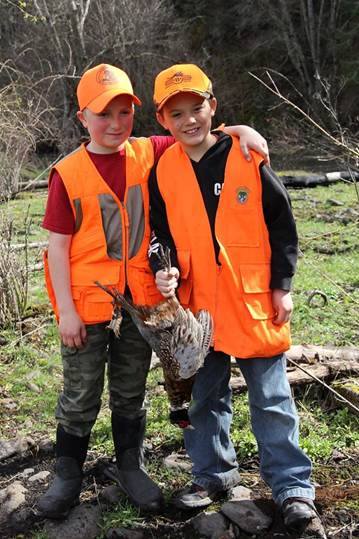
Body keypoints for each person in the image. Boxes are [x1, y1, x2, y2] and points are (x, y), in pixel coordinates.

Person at [37, 63, 269, 519]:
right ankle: (67, 476)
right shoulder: (68, 173)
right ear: (82, 117)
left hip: (143, 306)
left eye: (124, 112)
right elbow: (57, 249)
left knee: (129, 391)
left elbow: (195, 130)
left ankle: (131, 466)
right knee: (81, 393)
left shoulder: (150, 151)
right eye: (104, 115)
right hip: (86, 306)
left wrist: (237, 129)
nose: (116, 124)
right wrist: (64, 309)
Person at [148, 63, 317, 534]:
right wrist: (164, 270)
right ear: (163, 120)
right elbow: (159, 237)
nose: (188, 120)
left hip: (253, 301)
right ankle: (213, 476)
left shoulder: (246, 155)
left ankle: (292, 489)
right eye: (176, 113)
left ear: (212, 108)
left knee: (271, 398)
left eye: (196, 108)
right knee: (204, 399)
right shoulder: (162, 168)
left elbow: (283, 225)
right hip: (197, 309)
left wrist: (283, 286)